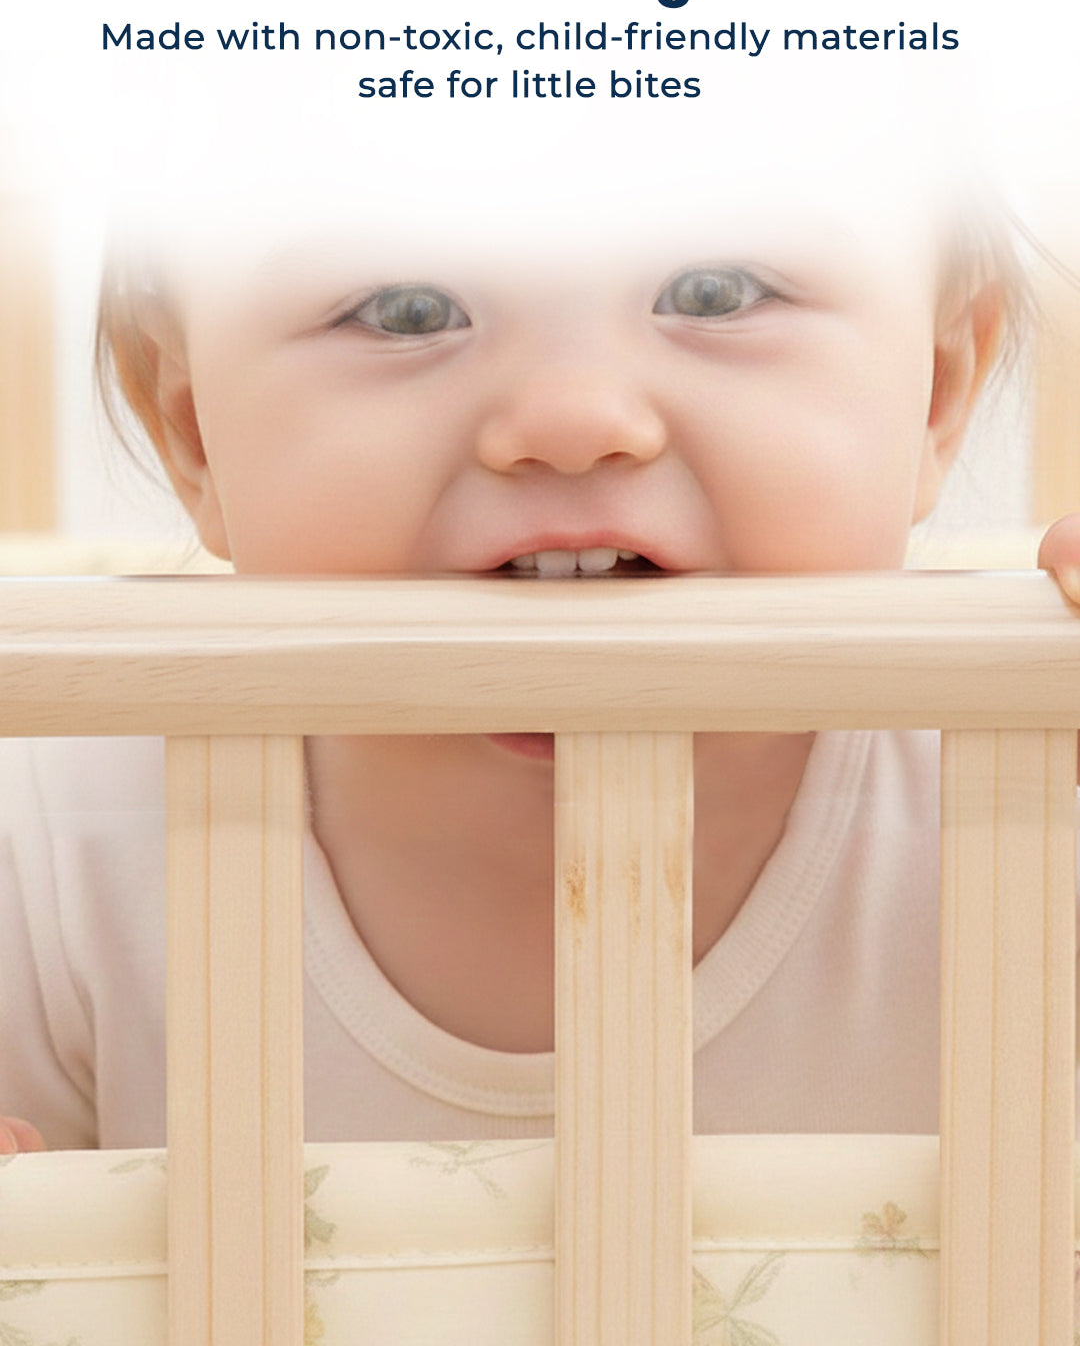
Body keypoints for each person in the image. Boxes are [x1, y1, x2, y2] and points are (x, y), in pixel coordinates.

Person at [2, 176, 1078, 1153]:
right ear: (193, 432)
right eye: (406, 309)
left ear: (937, 388)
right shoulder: (51, 839)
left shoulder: (1028, 790)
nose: (572, 421)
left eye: (714, 291)